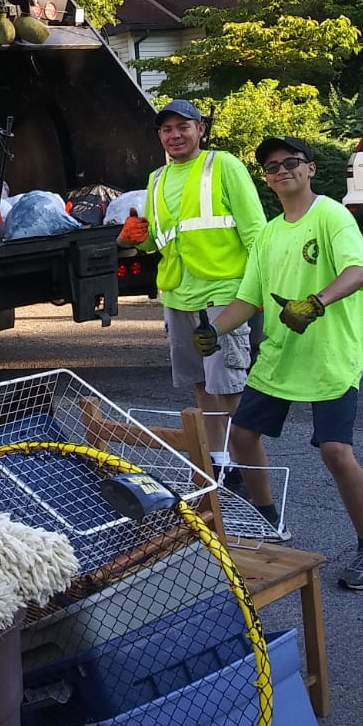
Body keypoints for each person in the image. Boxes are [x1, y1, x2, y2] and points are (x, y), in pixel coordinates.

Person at [194, 136, 363, 591]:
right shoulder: (268, 232)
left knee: (335, 452)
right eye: (270, 167)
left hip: (329, 357)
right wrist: (216, 331)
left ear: (309, 170)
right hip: (281, 355)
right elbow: (248, 297)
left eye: (289, 163)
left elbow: (360, 270)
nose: (280, 170)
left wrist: (317, 302)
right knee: (242, 436)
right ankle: (268, 522)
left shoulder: (331, 215)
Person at [119, 99, 266, 484]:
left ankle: (245, 468)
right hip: (178, 294)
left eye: (183, 126)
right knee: (201, 385)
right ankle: (217, 462)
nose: (174, 135)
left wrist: (261, 290)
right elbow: (161, 241)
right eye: (166, 129)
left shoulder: (224, 166)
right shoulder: (157, 179)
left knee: (229, 385)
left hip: (224, 293)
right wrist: (136, 238)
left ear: (201, 129)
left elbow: (255, 233)